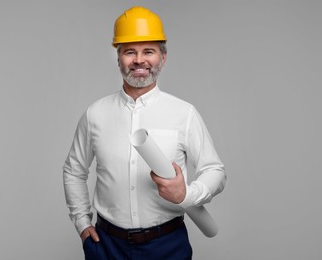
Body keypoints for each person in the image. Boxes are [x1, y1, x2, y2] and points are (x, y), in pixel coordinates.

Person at [63, 6, 227, 259]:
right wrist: (83, 223)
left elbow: (215, 170)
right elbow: (74, 170)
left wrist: (187, 194)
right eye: (130, 52)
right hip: (107, 246)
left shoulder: (184, 113)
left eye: (148, 51)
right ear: (118, 58)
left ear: (163, 57)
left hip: (167, 245)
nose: (139, 60)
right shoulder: (95, 114)